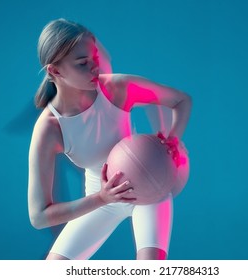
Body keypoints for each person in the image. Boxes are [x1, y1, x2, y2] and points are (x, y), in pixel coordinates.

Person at [28, 18, 192, 260]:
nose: (95, 68)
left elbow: (181, 100)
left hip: (149, 190)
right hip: (99, 199)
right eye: (83, 63)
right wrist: (102, 197)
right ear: (55, 71)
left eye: (94, 58)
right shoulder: (49, 128)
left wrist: (173, 140)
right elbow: (39, 216)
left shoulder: (117, 88)